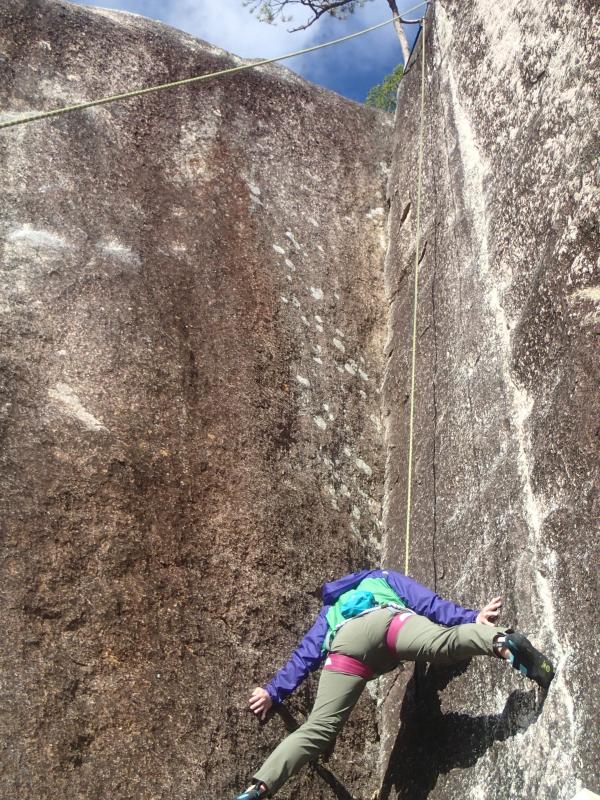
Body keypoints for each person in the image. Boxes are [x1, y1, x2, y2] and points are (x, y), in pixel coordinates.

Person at [233, 568, 554, 799]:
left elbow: (304, 657)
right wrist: (470, 617)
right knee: (442, 643)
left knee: (318, 729)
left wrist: (272, 692)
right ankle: (499, 642)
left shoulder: (330, 610)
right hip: (389, 622)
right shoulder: (381, 577)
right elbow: (428, 603)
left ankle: (259, 787)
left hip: (347, 647)